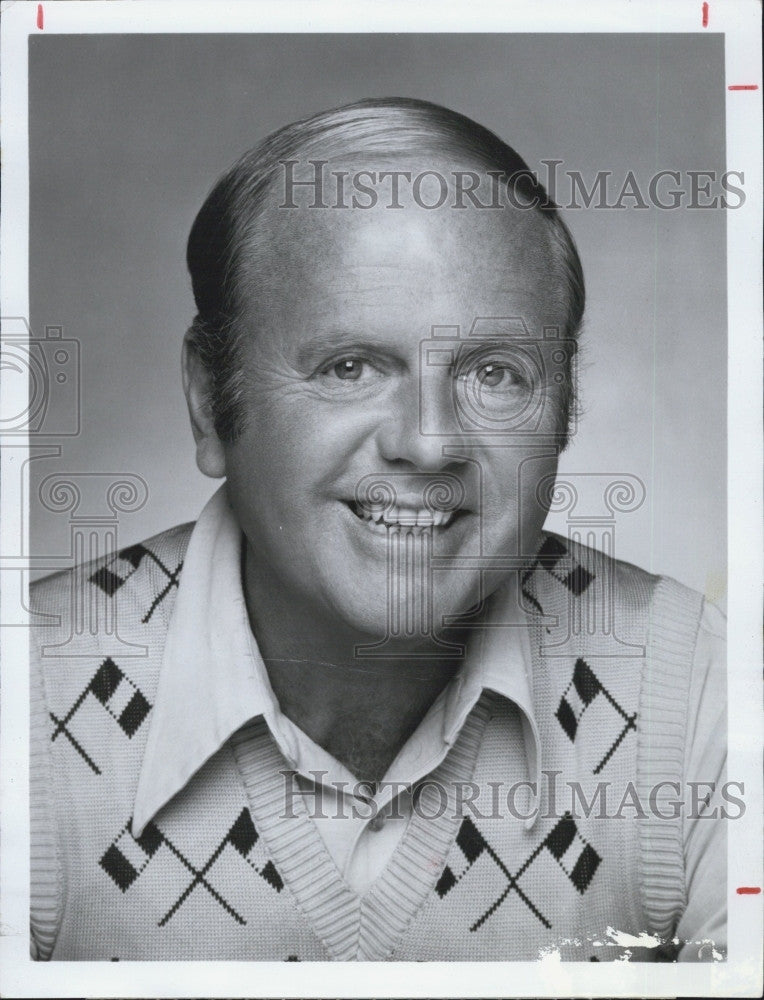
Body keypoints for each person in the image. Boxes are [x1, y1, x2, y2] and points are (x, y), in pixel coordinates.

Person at [30, 97, 726, 962]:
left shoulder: (691, 677)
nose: (429, 441)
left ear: (565, 412)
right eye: (351, 367)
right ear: (211, 400)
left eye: (496, 373)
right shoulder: (24, 701)